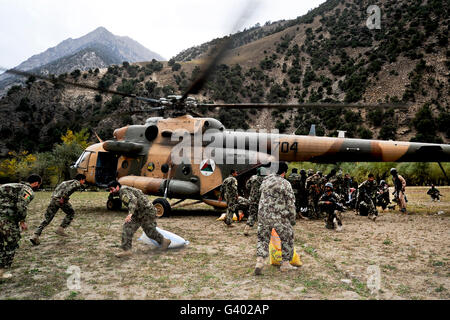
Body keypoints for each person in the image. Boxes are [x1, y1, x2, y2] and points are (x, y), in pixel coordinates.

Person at [108, 181, 171, 258]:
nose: (111, 191)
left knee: (149, 231)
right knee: (127, 228)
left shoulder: (123, 191)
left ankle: (164, 241)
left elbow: (133, 200)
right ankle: (127, 250)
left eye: (111, 189)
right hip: (137, 212)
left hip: (146, 211)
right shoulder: (123, 191)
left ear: (117, 187)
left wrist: (130, 214)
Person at [254, 162, 297, 275]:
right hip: (279, 217)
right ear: (284, 172)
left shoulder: (265, 181)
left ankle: (260, 261)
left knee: (263, 239)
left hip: (263, 215)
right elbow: (291, 204)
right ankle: (285, 264)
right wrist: (292, 219)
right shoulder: (285, 183)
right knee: (287, 237)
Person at [0, 174, 42, 279]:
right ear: (36, 183)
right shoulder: (28, 190)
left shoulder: (16, 186)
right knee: (13, 241)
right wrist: (22, 221)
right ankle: (1, 270)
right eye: (39, 185)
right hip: (6, 219)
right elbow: (21, 205)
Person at [30, 174, 86, 245]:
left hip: (54, 199)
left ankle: (35, 235)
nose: (84, 182)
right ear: (81, 179)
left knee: (47, 219)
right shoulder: (76, 183)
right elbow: (69, 189)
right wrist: (63, 198)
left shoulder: (66, 182)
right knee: (71, 213)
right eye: (83, 180)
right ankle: (61, 229)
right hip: (61, 200)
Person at [243, 167, 267, 236]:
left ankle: (246, 229)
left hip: (253, 199)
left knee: (252, 214)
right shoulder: (266, 179)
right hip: (263, 200)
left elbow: (247, 186)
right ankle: (261, 231)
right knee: (262, 215)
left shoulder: (253, 177)